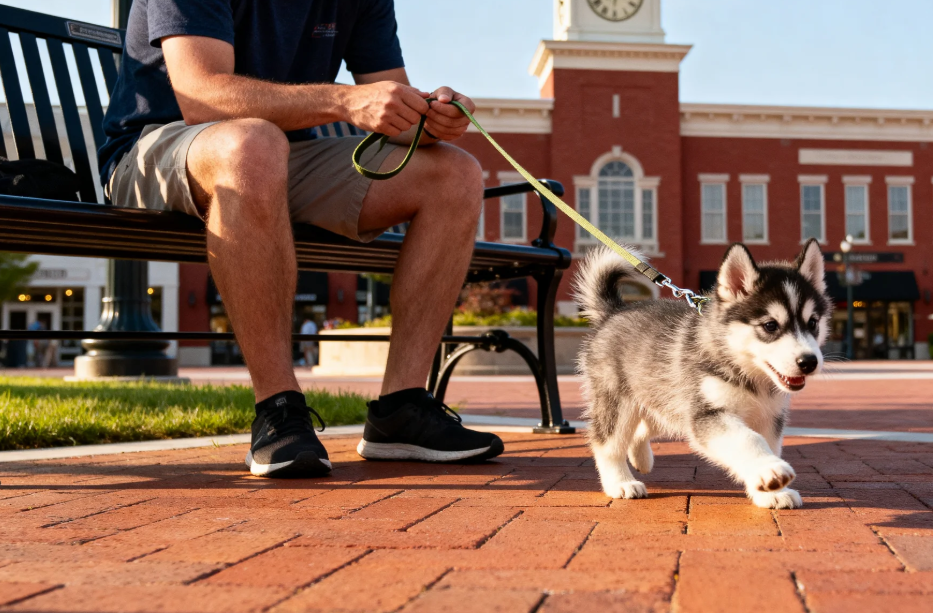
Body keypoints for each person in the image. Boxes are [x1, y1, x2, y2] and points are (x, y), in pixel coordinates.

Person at [98, 0, 503, 478]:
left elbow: (396, 117)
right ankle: (278, 408)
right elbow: (200, 96)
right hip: (159, 148)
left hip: (277, 156)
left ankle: (402, 410)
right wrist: (344, 101)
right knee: (252, 144)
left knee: (456, 173)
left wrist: (433, 119)